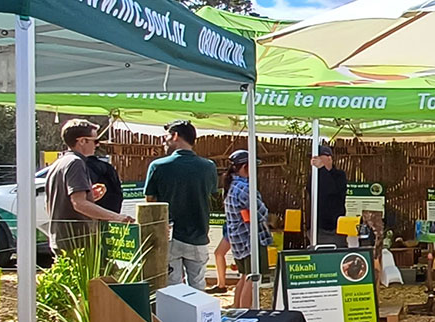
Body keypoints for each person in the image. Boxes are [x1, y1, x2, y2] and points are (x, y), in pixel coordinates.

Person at [143, 120, 217, 288]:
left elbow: (150, 203)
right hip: (198, 235)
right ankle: (198, 315)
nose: (164, 141)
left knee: (172, 289)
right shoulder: (209, 167)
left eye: (165, 137)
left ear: (175, 136)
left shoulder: (158, 166)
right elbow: (213, 197)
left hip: (168, 236)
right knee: (198, 286)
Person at [45, 118, 133, 254]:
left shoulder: (59, 163)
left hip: (61, 239)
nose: (97, 145)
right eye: (95, 141)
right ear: (82, 141)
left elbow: (56, 202)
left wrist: (90, 195)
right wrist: (118, 217)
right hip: (78, 242)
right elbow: (79, 204)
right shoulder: (76, 162)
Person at [219, 149, 269, 308]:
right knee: (253, 277)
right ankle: (246, 312)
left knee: (244, 275)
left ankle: (236, 308)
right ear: (246, 166)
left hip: (238, 239)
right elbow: (261, 212)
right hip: (250, 239)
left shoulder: (231, 186)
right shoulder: (244, 188)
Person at [311, 142, 348, 246]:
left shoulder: (340, 175)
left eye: (319, 158)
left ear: (329, 158)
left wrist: (322, 169)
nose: (316, 160)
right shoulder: (315, 176)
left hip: (335, 227)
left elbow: (332, 191)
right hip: (318, 226)